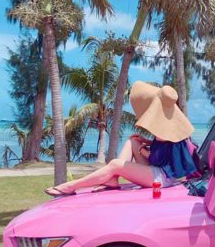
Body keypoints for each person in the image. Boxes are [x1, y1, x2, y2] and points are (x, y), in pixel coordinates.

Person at [45, 82, 197, 196]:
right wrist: (146, 141)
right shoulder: (168, 125)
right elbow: (166, 148)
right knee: (132, 141)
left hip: (161, 178)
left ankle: (72, 186)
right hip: (159, 171)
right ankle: (112, 180)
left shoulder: (164, 131)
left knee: (115, 164)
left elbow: (157, 158)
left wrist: (143, 151)